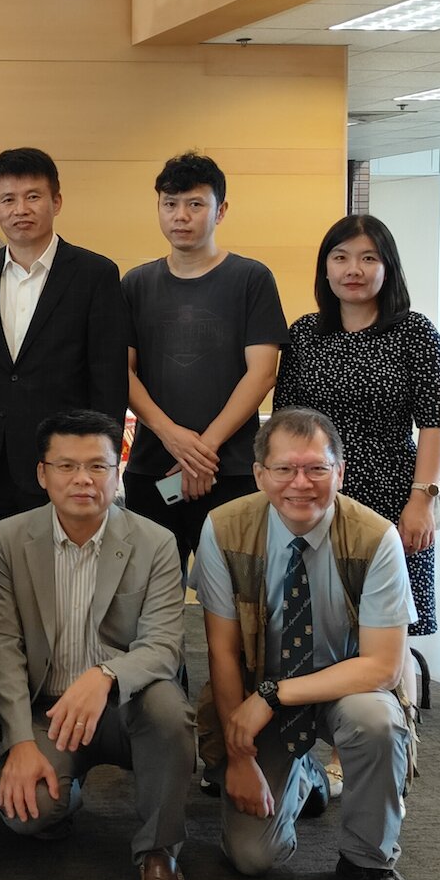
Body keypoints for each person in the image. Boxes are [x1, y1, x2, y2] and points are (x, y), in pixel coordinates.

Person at [194, 407, 422, 880]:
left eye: (317, 469)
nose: (301, 484)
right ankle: (303, 775)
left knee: (377, 720)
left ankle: (369, 863)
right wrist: (236, 757)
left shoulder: (375, 537)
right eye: (285, 470)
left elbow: (383, 667)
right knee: (252, 859)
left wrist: (274, 695)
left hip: (342, 687)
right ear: (259, 475)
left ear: (340, 473)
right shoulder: (223, 529)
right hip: (256, 695)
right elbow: (223, 654)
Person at [0, 411, 195, 880]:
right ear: (42, 474)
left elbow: (164, 645)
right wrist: (17, 741)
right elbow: (5, 644)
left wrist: (105, 676)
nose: (83, 479)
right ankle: (67, 793)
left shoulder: (155, 541)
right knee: (26, 816)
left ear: (116, 474)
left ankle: (159, 854)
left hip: (128, 706)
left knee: (169, 707)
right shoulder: (9, 539)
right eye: (67, 466)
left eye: (98, 467)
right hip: (50, 712)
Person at [275, 214, 440, 636]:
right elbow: (286, 421)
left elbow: (434, 423)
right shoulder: (304, 334)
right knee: (314, 615)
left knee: (385, 621)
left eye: (368, 258)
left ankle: (393, 700)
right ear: (326, 267)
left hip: (392, 493)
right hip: (314, 491)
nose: (353, 270)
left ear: (387, 267)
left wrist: (421, 501)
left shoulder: (415, 333)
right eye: (341, 257)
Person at [0, 147, 129, 575]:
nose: (21, 210)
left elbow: (107, 377)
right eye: (9, 200)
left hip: (60, 459)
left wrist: (96, 462)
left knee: (57, 577)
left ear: (56, 202)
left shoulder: (95, 274)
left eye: (33, 197)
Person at [121, 152, 287, 571]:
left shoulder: (251, 278)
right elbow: (121, 372)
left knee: (234, 599)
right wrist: (171, 434)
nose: (181, 216)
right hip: (153, 470)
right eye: (170, 204)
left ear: (220, 211)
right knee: (147, 600)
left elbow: (263, 372)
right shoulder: (136, 283)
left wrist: (202, 449)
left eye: (195, 204)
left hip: (231, 470)